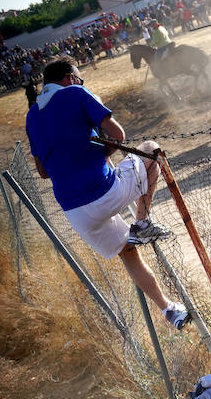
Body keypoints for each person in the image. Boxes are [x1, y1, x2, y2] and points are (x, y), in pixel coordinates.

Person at [25, 57, 190, 330]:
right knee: (151, 148)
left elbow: (43, 172)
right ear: (69, 78)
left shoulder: (32, 115)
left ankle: (170, 310)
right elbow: (119, 135)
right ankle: (143, 222)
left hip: (75, 212)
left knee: (128, 253)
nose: (80, 83)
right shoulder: (75, 92)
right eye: (79, 78)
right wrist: (101, 153)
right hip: (104, 191)